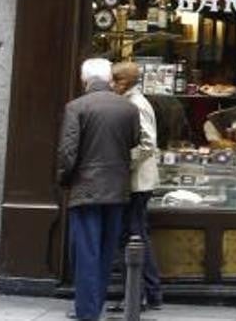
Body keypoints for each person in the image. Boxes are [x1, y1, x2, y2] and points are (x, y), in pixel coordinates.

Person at [57, 58, 141, 321]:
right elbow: (134, 141)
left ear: (85, 80)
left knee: (86, 252)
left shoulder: (76, 107)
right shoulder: (128, 108)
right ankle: (96, 305)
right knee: (105, 252)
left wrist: (64, 179)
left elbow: (68, 152)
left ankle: (87, 311)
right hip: (116, 188)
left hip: (86, 189)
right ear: (109, 79)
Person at [108, 61, 162, 313]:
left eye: (114, 81)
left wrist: (124, 162)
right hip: (139, 180)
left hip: (137, 181)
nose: (111, 85)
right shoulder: (133, 101)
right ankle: (151, 292)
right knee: (138, 234)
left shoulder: (135, 104)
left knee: (132, 236)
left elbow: (147, 143)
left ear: (124, 82)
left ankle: (138, 295)